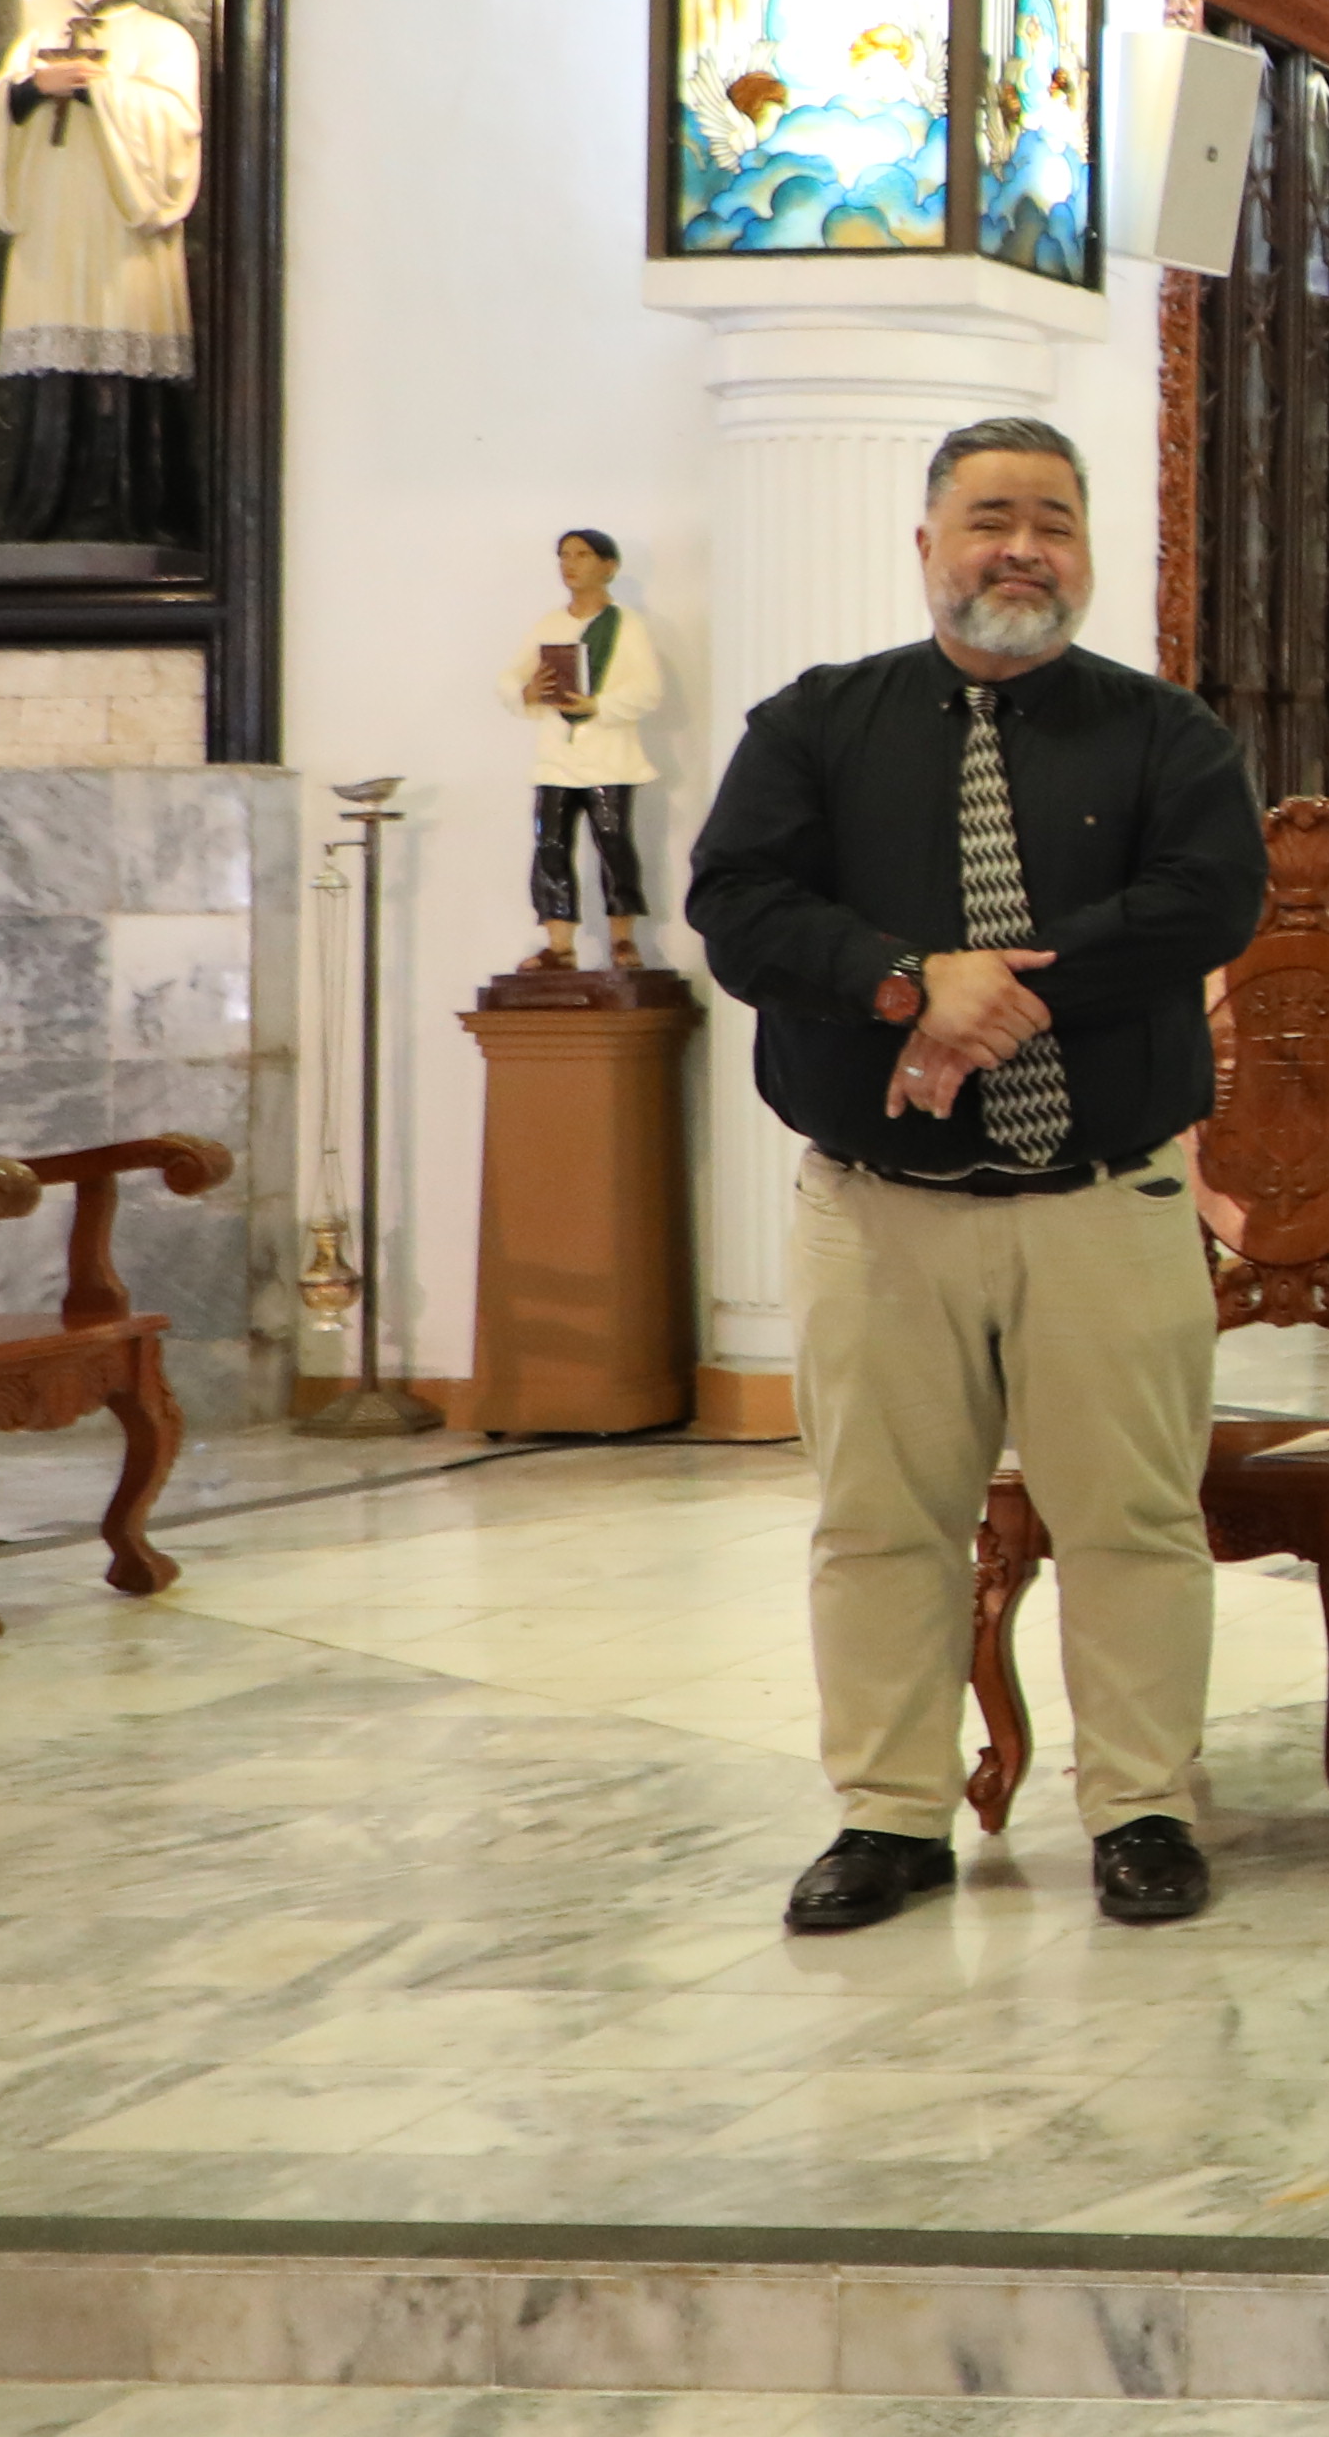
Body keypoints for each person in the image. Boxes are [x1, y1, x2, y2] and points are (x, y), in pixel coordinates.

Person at [689, 419, 1263, 1933]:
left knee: (1134, 1522)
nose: (1024, 548)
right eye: (991, 518)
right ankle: (888, 1817)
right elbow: (738, 911)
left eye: (1054, 523)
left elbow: (1207, 902)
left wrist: (993, 991)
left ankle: (1140, 1805)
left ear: (1088, 550)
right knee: (880, 1523)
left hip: (1107, 1207)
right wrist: (899, 982)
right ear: (927, 542)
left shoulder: (1166, 736)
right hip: (882, 1215)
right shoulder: (815, 726)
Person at [0, 0, 203, 548]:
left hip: (119, 233)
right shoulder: (35, 39)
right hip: (53, 225)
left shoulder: (163, 39)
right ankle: (45, 512)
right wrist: (26, 91)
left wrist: (101, 88)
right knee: (54, 380)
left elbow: (178, 127)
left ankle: (136, 518)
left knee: (119, 368)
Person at [515, 527, 670, 972]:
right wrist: (528, 690)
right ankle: (558, 943)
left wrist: (598, 705)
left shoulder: (627, 626)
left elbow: (648, 690)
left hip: (609, 759)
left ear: (609, 565)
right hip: (556, 761)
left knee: (614, 844)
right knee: (549, 845)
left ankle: (623, 938)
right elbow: (512, 679)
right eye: (564, 555)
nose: (570, 564)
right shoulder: (549, 624)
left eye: (582, 555)